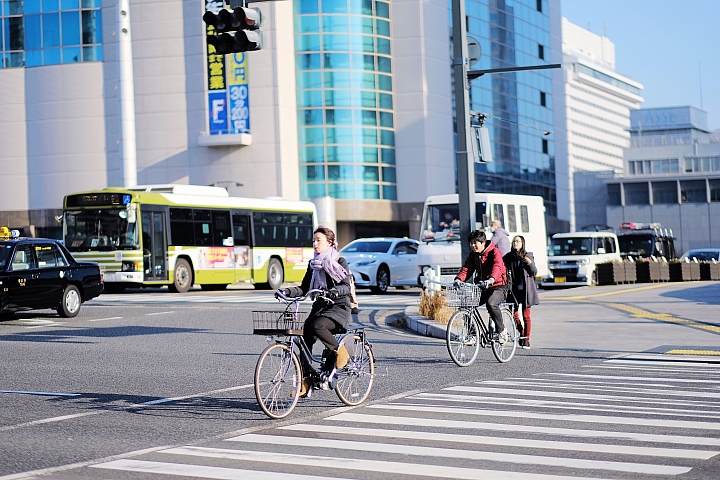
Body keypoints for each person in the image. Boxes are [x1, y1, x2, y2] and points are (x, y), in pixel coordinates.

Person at [278, 226, 352, 397]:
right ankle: (306, 382)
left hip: (338, 307)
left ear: (330, 243)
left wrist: (333, 291)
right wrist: (287, 291)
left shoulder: (339, 261)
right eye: (313, 240)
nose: (315, 243)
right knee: (305, 338)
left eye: (318, 240)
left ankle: (341, 352)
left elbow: (346, 286)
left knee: (318, 326)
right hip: (320, 306)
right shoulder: (313, 265)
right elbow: (304, 288)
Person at [453, 229, 510, 343]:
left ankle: (501, 331)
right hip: (483, 286)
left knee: (491, 303)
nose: (473, 245)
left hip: (499, 285)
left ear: (483, 242)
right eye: (471, 243)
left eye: (475, 243)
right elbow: (467, 268)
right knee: (466, 305)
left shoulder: (494, 251)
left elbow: (497, 266)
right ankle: (473, 334)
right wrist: (459, 279)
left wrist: (492, 279)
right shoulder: (473, 255)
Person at [503, 235, 539, 349]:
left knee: (526, 315)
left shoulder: (527, 256)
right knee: (513, 314)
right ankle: (521, 331)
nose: (515, 243)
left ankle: (526, 339)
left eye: (518, 241)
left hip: (526, 291)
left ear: (522, 243)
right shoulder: (508, 257)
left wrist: (529, 263)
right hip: (513, 290)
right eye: (514, 241)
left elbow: (534, 272)